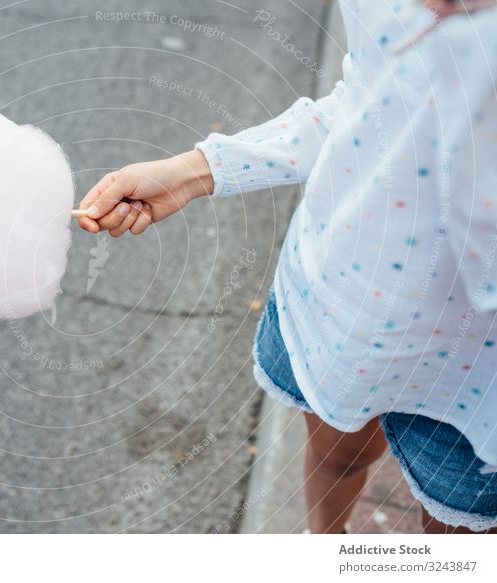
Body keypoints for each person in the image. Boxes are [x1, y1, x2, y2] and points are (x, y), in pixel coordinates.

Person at [77, 0, 497, 533]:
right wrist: (193, 172)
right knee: (335, 463)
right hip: (345, 305)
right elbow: (370, 102)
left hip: (476, 368)